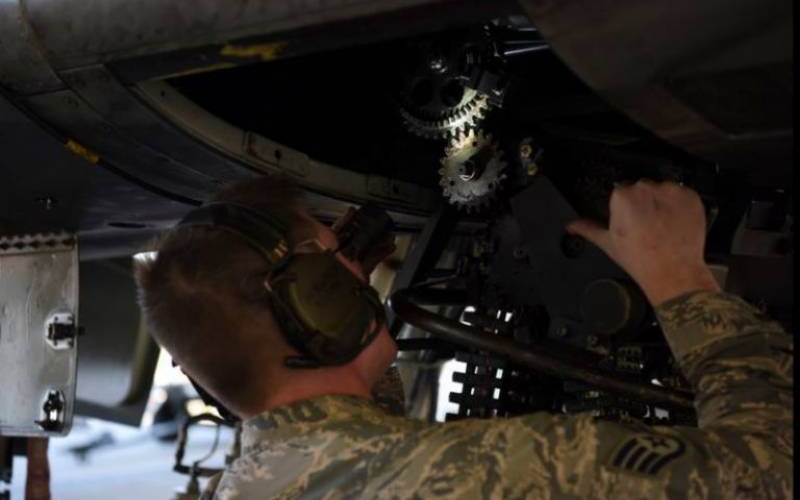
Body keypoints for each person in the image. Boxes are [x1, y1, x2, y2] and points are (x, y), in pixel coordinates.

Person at [135, 176, 793, 499]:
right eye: (338, 270)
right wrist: (681, 281)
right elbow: (772, 472)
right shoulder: (498, 469)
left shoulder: (246, 485)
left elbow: (353, 444)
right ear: (318, 304)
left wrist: (345, 294)